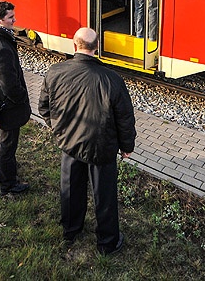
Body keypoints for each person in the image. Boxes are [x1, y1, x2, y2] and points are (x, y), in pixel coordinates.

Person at [39, 27, 136, 255]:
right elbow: (124, 118)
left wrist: (59, 130)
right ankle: (107, 242)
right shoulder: (112, 79)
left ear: (74, 46)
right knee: (105, 196)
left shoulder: (55, 72)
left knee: (70, 189)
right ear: (97, 47)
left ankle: (70, 230)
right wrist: (127, 146)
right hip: (101, 148)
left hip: (70, 144)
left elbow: (44, 107)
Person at [0, 0, 32, 196]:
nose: (15, 20)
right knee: (8, 145)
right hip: (8, 107)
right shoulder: (1, 47)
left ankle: (9, 176)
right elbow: (9, 85)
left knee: (7, 143)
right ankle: (8, 184)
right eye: (10, 17)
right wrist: (21, 98)